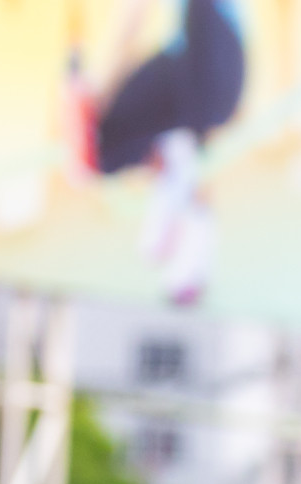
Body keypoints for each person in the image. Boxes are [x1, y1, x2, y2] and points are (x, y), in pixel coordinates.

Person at [74, 0, 246, 303]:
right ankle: (172, 166)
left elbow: (133, 23)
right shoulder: (205, 96)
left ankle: (177, 188)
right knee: (108, 153)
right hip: (205, 91)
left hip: (201, 89)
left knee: (109, 151)